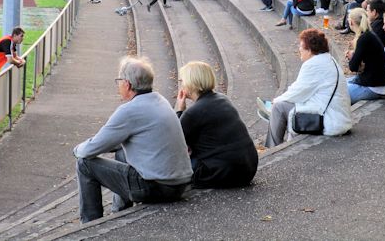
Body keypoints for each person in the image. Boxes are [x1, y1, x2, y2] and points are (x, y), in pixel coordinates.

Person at [74, 56, 192, 223]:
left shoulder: (129, 110)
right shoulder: (160, 100)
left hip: (157, 188)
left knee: (84, 164)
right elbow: (115, 143)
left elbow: (90, 149)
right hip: (179, 184)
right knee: (122, 153)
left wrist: (76, 149)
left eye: (119, 81)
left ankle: (90, 224)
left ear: (127, 84)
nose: (118, 85)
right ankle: (120, 211)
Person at [262, 29, 352, 147]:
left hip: (329, 120)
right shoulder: (328, 59)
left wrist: (276, 101)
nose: (299, 49)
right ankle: (283, 144)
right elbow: (300, 88)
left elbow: (298, 92)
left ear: (310, 50)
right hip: (336, 115)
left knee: (278, 107)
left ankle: (272, 148)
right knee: (283, 105)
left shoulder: (313, 65)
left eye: (301, 47)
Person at [174, 61, 258, 188]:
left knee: (176, 166)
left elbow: (175, 142)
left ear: (191, 84)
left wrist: (180, 110)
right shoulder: (223, 99)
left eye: (183, 81)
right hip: (248, 167)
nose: (181, 85)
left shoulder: (193, 112)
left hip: (223, 172)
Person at [345, 8, 385, 104]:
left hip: (373, 87)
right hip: (375, 82)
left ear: (351, 22)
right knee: (337, 84)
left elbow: (353, 67)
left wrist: (352, 57)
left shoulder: (363, 38)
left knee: (338, 95)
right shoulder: (369, 34)